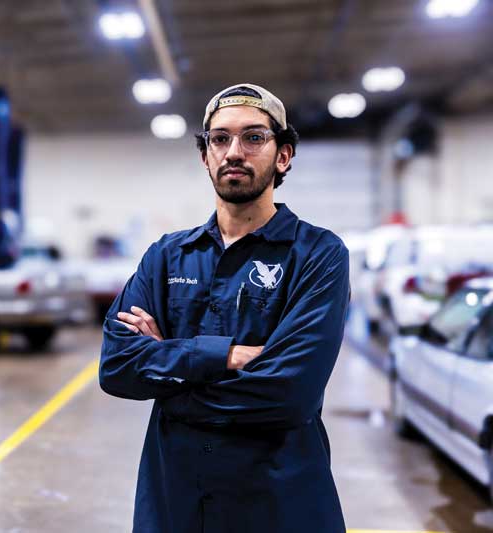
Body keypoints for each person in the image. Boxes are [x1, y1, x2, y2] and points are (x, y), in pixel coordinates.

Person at [99, 83, 350, 533]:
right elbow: (117, 366)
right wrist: (226, 357)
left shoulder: (318, 254)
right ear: (206, 156)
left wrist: (171, 379)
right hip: (176, 502)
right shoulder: (167, 255)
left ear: (283, 156)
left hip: (278, 504)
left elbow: (290, 394)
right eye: (220, 138)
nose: (234, 151)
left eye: (253, 137)